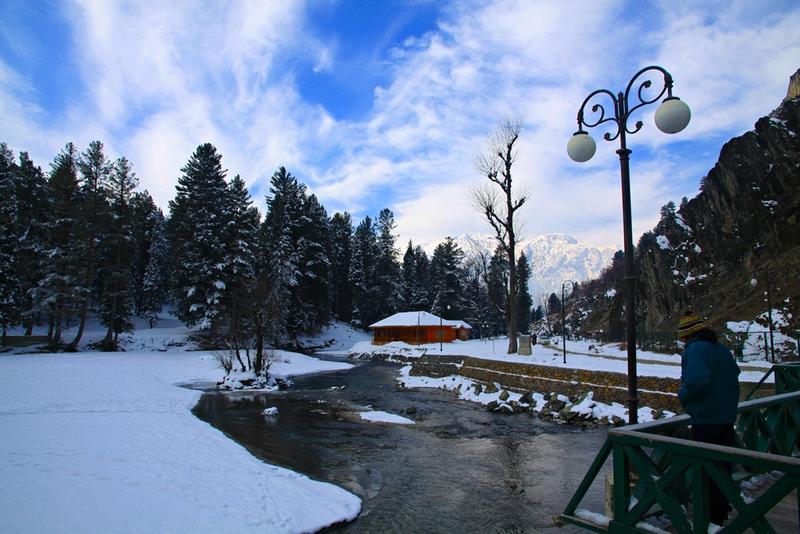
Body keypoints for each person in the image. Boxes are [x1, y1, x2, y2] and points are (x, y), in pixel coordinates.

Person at [677, 311, 741, 527]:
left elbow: (696, 380)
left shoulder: (695, 350)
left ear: (687, 336)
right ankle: (720, 515)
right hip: (726, 419)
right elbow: (735, 372)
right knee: (722, 471)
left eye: (682, 338)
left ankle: (706, 520)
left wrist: (683, 396)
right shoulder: (721, 349)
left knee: (704, 472)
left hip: (706, 420)